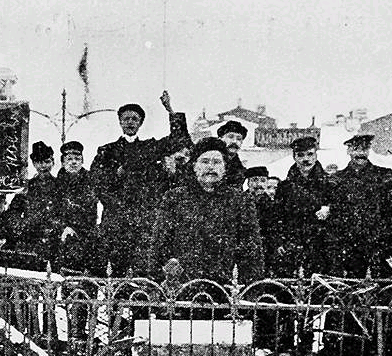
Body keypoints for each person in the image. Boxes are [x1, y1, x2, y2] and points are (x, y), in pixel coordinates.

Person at [149, 137, 264, 285]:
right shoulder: (175, 198)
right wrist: (165, 273)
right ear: (194, 166)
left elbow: (252, 250)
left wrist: (249, 288)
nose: (211, 167)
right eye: (204, 161)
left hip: (225, 288)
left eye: (216, 162)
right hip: (184, 287)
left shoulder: (240, 200)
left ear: (224, 168)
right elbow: (160, 244)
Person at [91, 101, 187, 276]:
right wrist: (115, 176)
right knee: (114, 272)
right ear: (119, 122)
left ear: (141, 123)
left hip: (143, 219)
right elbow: (97, 182)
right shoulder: (107, 151)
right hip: (115, 220)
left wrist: (170, 110)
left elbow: (178, 140)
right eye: (126, 118)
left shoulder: (149, 147)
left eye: (134, 119)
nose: (130, 122)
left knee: (142, 270)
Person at [328, 134, 392, 277]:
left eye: (364, 148)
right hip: (350, 245)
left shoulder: (384, 176)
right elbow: (334, 214)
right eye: (356, 149)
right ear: (348, 151)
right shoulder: (338, 179)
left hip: (378, 242)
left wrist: (388, 238)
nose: (360, 153)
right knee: (353, 287)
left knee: (383, 286)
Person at [275, 136, 334, 277]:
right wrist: (279, 241)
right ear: (294, 157)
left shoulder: (329, 183)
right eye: (300, 155)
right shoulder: (285, 187)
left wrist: (330, 208)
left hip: (320, 246)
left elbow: (341, 210)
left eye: (310, 154)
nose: (305, 159)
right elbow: (276, 216)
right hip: (292, 245)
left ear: (316, 155)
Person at [5, 141, 63, 267]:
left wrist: (57, 225)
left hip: (54, 241)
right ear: (34, 164)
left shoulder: (60, 186)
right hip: (30, 242)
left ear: (53, 162)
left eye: (47, 161)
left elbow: (66, 212)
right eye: (39, 162)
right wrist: (20, 225)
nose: (43, 166)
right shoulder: (27, 187)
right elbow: (12, 212)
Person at [55, 140, 100, 273]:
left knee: (86, 280)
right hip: (62, 236)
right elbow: (52, 211)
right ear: (63, 162)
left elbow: (92, 206)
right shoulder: (56, 183)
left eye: (77, 158)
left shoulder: (90, 180)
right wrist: (62, 226)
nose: (74, 162)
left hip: (86, 235)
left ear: (82, 161)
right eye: (69, 159)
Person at [217, 120, 249, 190]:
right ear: (220, 139)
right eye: (230, 137)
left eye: (239, 139)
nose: (234, 141)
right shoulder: (212, 161)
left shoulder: (239, 166)